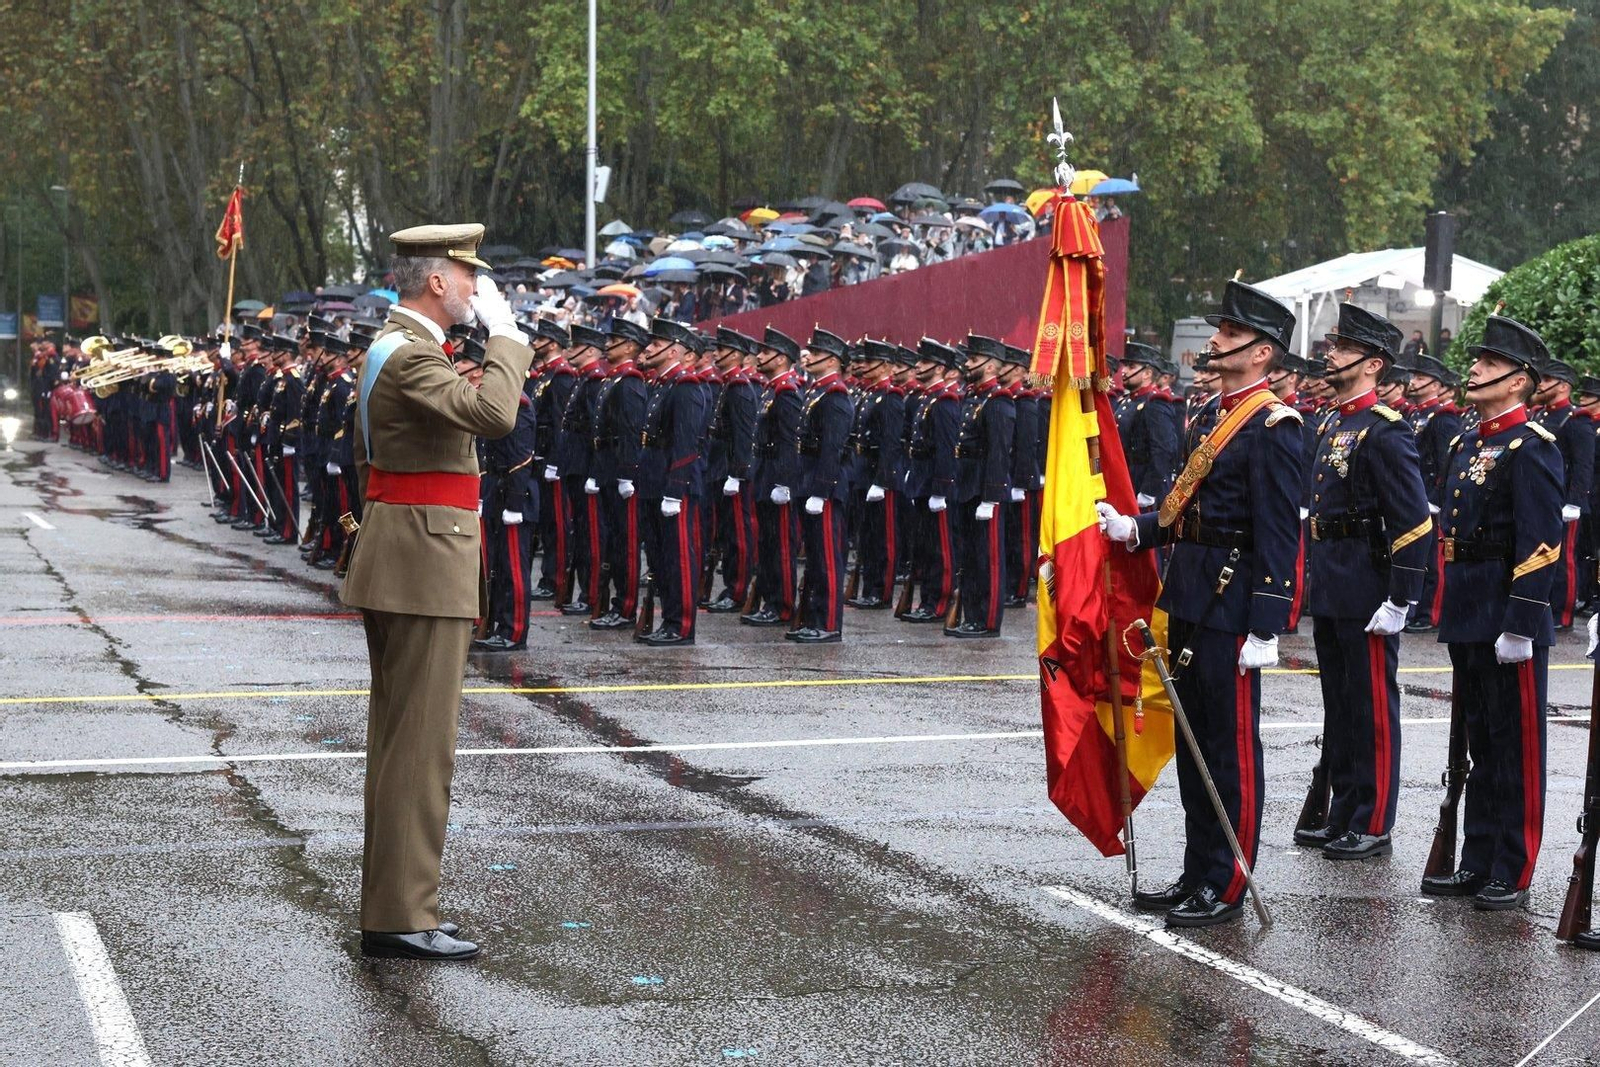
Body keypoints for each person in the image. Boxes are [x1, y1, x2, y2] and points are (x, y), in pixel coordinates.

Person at [340, 222, 534, 960]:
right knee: (420, 748)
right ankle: (398, 915)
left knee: (405, 746)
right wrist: (508, 336)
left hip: (411, 553)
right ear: (437, 283)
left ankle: (399, 902)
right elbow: (495, 415)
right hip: (422, 561)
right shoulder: (409, 355)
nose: (477, 287)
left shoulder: (408, 349)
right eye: (468, 275)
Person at [1096, 279, 1305, 928]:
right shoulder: (1211, 414)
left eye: (1231, 335)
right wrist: (1139, 529)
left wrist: (1267, 624)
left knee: (1228, 750)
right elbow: (1187, 505)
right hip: (1189, 594)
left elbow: (1277, 532)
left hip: (1233, 606)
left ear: (1264, 353)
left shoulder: (1273, 426)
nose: (1216, 341)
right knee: (1193, 748)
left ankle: (1228, 880)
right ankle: (1197, 869)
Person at [1420, 314, 1561, 910]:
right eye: (1477, 361)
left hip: (1507, 614)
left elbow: (1541, 542)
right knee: (1477, 742)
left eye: (1489, 364)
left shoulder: (1531, 449)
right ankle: (1476, 858)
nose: (1474, 371)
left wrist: (1521, 621)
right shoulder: (1468, 441)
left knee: (1515, 746)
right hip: (1469, 609)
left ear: (1519, 381)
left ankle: (1513, 864)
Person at [1296, 304, 1431, 859]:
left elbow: (1413, 521)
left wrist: (1401, 598)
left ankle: (1372, 821)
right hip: (1333, 579)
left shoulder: (1385, 431)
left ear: (1373, 364)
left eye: (1343, 348)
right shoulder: (1334, 421)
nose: (1331, 354)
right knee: (1342, 704)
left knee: (1373, 706)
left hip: (1369, 586)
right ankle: (1345, 809)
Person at [787, 329, 855, 642]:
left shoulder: (836, 396)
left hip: (823, 487)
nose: (808, 357)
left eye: (814, 353)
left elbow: (833, 448)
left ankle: (827, 623)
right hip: (809, 480)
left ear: (832, 360)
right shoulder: (818, 392)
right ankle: (813, 617)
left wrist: (821, 489)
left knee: (827, 557)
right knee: (815, 556)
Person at [946, 335, 1016, 638]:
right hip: (966, 485)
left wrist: (991, 495)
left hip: (984, 488)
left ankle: (986, 621)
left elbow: (999, 452)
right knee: (970, 557)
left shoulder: (998, 401)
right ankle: (971, 615)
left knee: (987, 559)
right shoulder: (974, 397)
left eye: (974, 360)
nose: (967, 364)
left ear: (990, 366)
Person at [1531, 359, 1594, 631]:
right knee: (1538, 555)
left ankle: (1562, 614)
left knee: (1562, 560)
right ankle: (1541, 604)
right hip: (1539, 497)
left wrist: (1575, 501)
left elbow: (1583, 464)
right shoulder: (1539, 415)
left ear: (1563, 386)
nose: (1540, 384)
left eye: (1546, 380)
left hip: (1562, 500)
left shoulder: (1575, 419)